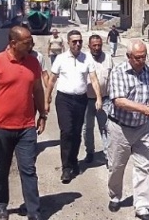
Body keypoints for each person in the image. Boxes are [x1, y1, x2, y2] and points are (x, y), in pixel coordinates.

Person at [0, 26, 47, 220]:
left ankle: (33, 211)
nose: (30, 46)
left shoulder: (33, 62)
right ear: (13, 43)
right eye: (26, 43)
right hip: (1, 128)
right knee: (1, 169)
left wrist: (42, 114)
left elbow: (38, 90)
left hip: (26, 127)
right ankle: (1, 205)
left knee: (28, 170)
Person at [107, 40, 149, 220]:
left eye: (144, 57)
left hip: (143, 127)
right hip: (120, 128)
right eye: (138, 57)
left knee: (144, 166)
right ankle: (115, 196)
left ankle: (142, 206)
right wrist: (143, 109)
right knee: (117, 166)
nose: (142, 60)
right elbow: (119, 101)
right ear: (129, 57)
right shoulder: (118, 72)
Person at [45, 30, 103, 184]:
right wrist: (46, 99)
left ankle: (74, 161)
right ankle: (66, 167)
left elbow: (94, 79)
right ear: (68, 43)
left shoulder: (87, 59)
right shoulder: (61, 58)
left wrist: (98, 98)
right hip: (64, 99)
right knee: (67, 131)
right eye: (74, 42)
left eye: (79, 41)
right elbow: (51, 80)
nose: (77, 44)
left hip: (81, 99)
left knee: (76, 133)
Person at [83, 34, 115, 165]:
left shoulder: (108, 58)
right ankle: (90, 152)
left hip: (105, 99)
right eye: (94, 45)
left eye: (99, 45)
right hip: (87, 100)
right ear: (89, 45)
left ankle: (108, 156)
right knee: (88, 128)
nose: (97, 48)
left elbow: (113, 78)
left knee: (106, 128)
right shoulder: (83, 58)